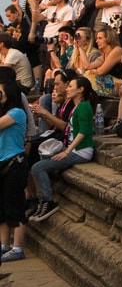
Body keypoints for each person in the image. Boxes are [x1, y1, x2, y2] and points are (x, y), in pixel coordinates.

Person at [28, 75, 97, 222]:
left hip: (81, 151)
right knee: (43, 157)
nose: (67, 89)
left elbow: (83, 132)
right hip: (73, 148)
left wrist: (66, 151)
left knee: (37, 168)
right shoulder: (77, 106)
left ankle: (48, 201)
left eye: (71, 86)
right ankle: (41, 201)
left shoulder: (84, 106)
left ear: (81, 90)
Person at [0, 79, 29, 264]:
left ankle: (17, 247)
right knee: (2, 209)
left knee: (15, 205)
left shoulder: (17, 113)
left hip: (15, 163)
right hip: (2, 164)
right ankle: (3, 245)